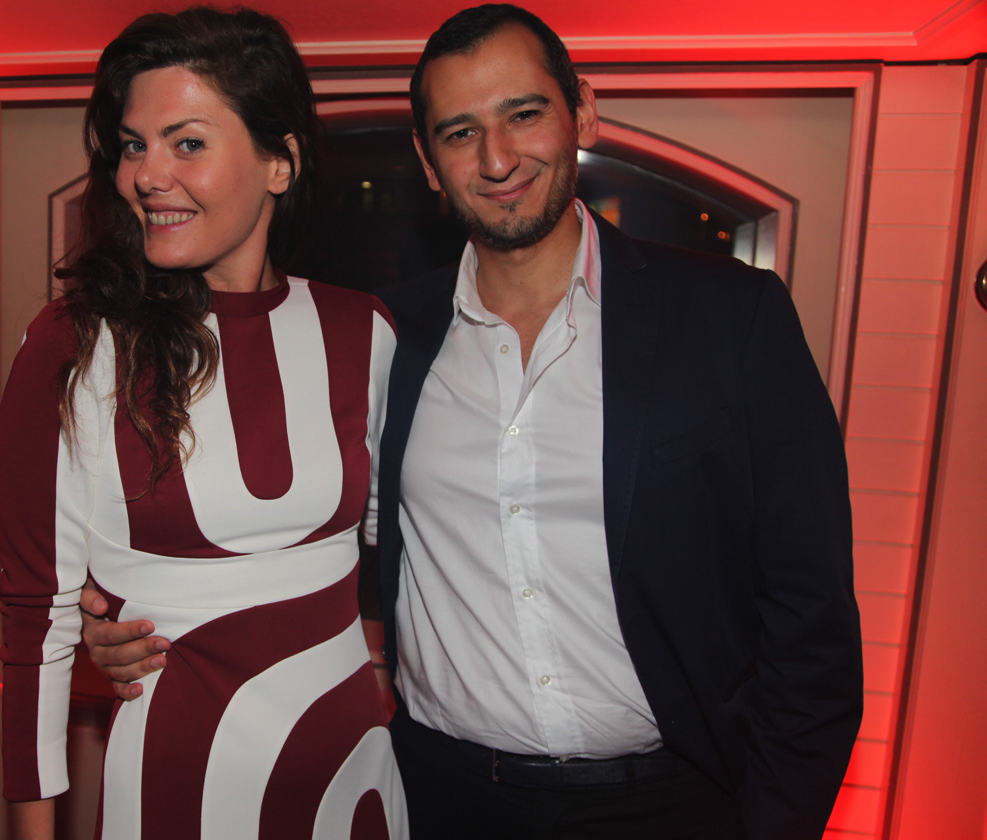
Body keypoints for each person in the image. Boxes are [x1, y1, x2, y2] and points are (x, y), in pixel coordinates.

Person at [82, 5, 862, 839]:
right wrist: (137, 612)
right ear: (428, 162)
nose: (496, 159)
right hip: (443, 798)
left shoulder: (730, 318)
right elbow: (294, 524)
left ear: (582, 112)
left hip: (672, 801)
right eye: (460, 133)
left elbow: (810, 621)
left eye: (523, 114)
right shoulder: (383, 340)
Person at [0, 8, 406, 839]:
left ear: (280, 162)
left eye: (186, 143)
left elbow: (392, 551)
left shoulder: (363, 330)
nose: (147, 174)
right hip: (178, 787)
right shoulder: (75, 344)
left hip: (353, 774)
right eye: (133, 145)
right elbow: (35, 628)